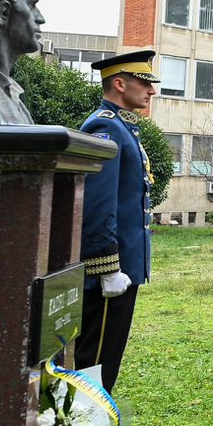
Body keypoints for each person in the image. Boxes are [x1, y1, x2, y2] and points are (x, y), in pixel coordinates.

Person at [73, 50, 160, 392]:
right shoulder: (105, 126)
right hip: (110, 269)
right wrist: (107, 266)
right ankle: (82, 425)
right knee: (94, 361)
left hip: (125, 266)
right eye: (144, 82)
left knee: (107, 359)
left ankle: (94, 424)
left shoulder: (123, 127)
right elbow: (99, 203)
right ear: (120, 84)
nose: (151, 90)